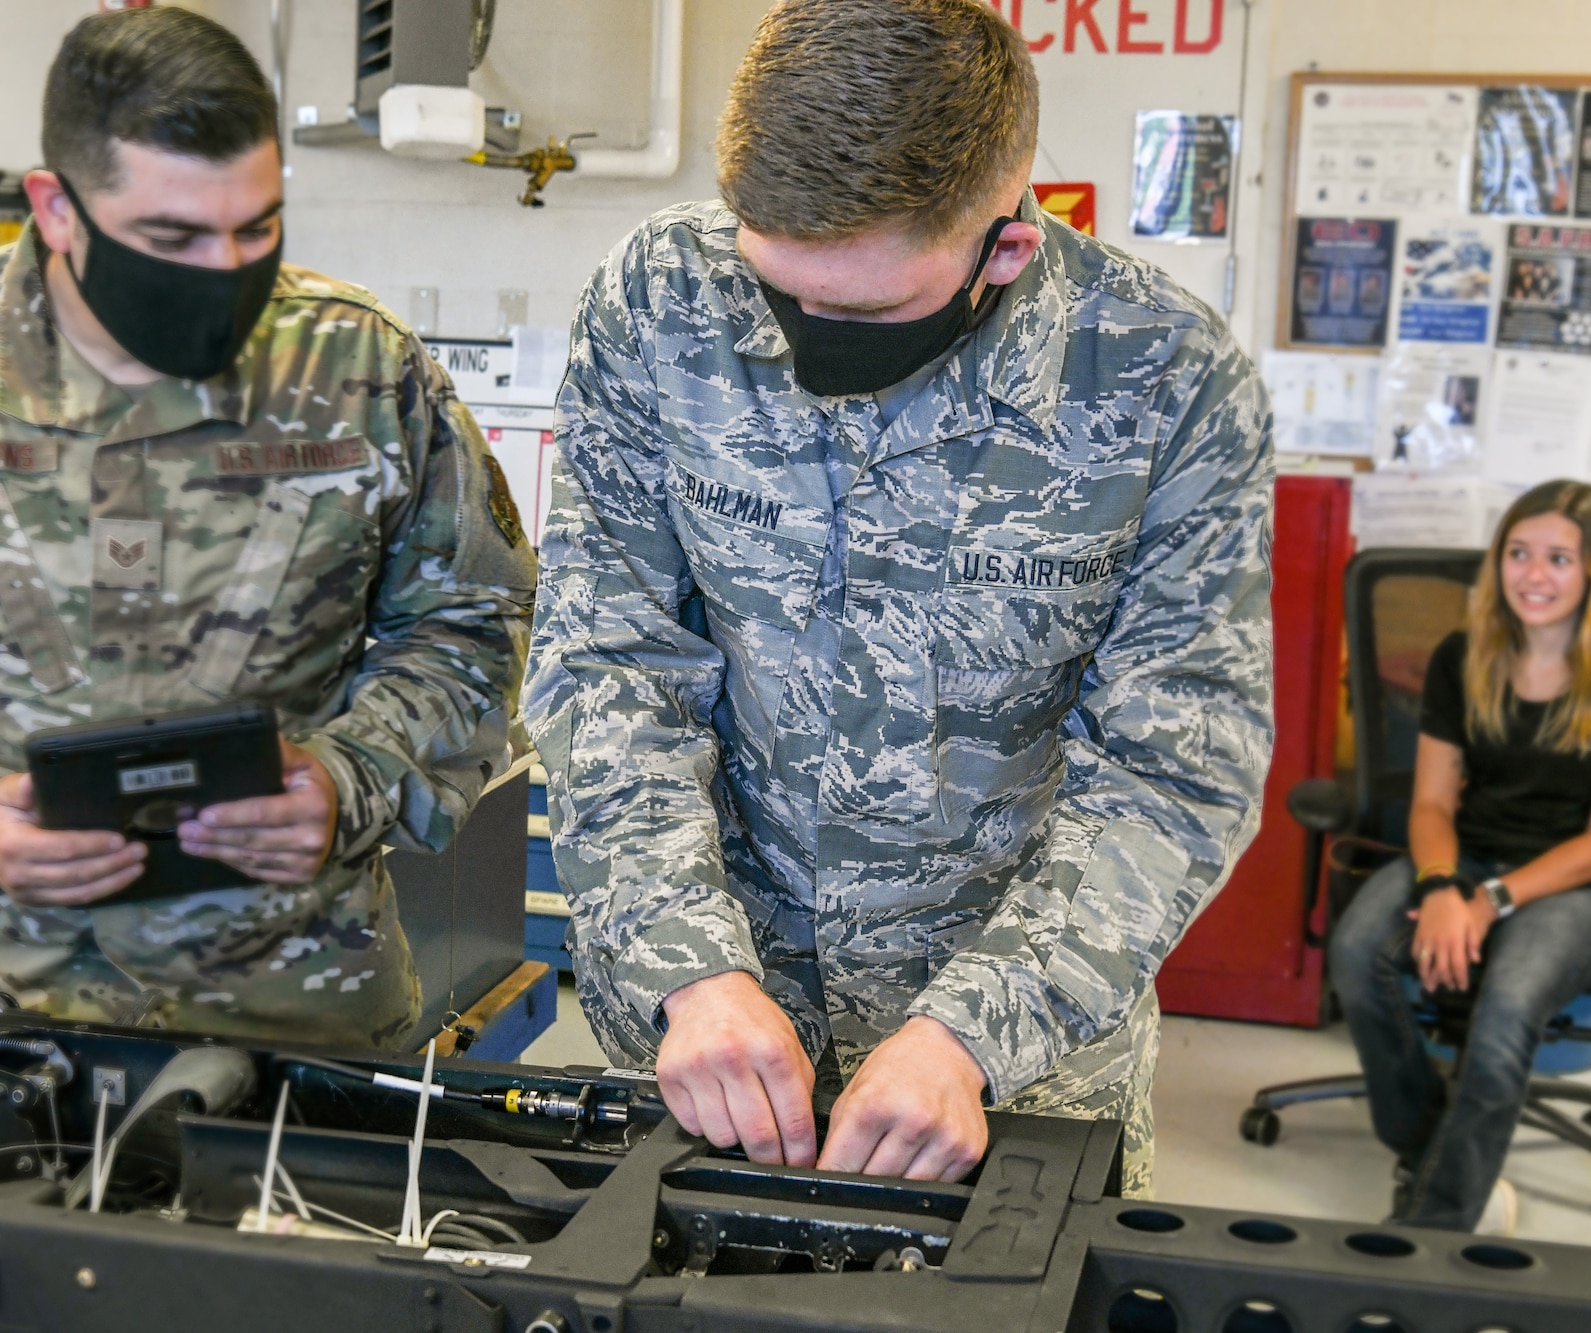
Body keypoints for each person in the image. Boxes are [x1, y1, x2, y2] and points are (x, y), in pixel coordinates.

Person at [523, 0, 1271, 1193]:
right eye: (777, 289)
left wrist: (968, 1031)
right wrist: (687, 964)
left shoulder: (1163, 377)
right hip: (706, 1032)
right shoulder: (661, 300)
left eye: (863, 311)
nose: (806, 337)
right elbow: (605, 658)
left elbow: (1176, 765)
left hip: (1011, 1067)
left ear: (1006, 246)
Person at [0, 8, 535, 1047]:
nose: (224, 269)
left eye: (258, 228)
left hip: (302, 1013)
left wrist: (350, 781)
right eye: (171, 238)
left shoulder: (360, 369)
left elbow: (471, 620)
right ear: (55, 208)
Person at [1332, 479, 1591, 1233]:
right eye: (1518, 552)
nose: (1534, 574)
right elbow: (1431, 804)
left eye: (1558, 557)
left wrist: (1490, 901)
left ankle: (1430, 1230)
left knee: (1510, 1001)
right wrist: (1445, 884)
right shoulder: (1466, 656)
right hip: (1471, 852)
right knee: (1359, 949)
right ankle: (1435, 1148)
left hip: (1577, 882)